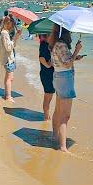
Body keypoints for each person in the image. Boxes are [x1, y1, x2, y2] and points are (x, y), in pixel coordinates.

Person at [48, 23, 84, 153]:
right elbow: (67, 64)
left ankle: (54, 135)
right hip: (65, 79)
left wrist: (75, 57)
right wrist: (76, 51)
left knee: (58, 110)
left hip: (57, 76)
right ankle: (63, 147)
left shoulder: (55, 44)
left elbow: (58, 62)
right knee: (65, 115)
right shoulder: (62, 45)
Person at [0, 16, 21, 103]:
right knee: (10, 78)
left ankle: (6, 94)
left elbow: (12, 45)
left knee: (8, 77)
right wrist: (15, 37)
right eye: (12, 24)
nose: (13, 26)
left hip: (9, 57)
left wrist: (16, 37)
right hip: (8, 58)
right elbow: (8, 47)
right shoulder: (4, 33)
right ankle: (8, 96)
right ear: (8, 24)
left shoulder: (6, 33)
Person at [38, 33, 55, 120]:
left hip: (48, 74)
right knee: (48, 96)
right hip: (46, 74)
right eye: (50, 35)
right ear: (45, 36)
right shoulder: (44, 45)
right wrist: (48, 65)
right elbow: (41, 58)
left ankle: (47, 116)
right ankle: (46, 117)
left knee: (49, 95)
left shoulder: (47, 45)